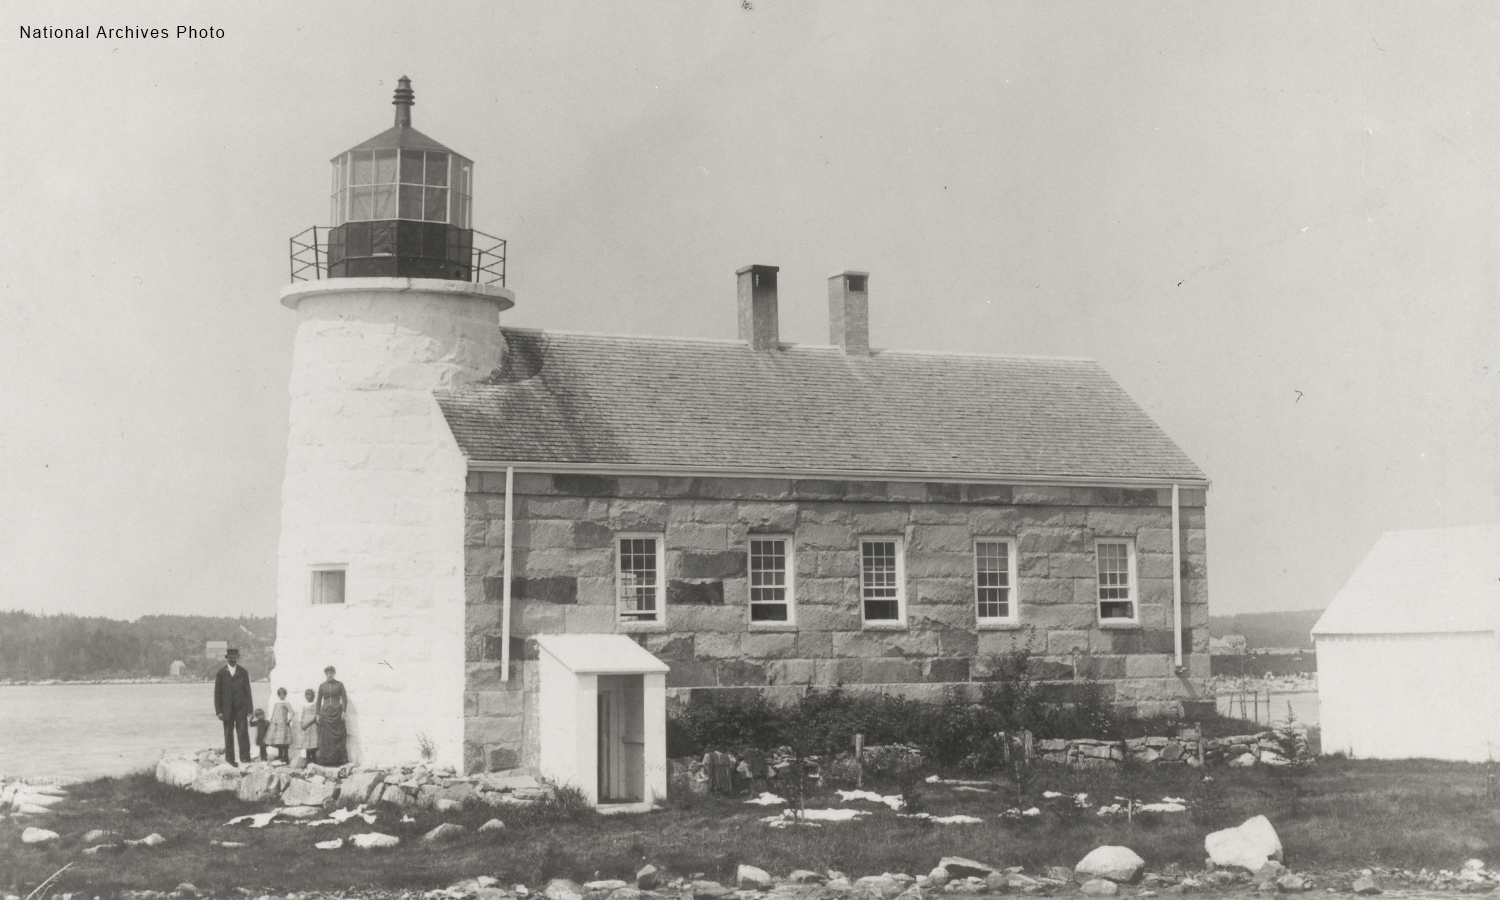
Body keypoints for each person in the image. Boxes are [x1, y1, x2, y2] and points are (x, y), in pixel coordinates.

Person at [213, 648, 254, 766]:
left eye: (235, 657)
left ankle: (245, 758)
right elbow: (217, 693)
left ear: (238, 658)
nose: (232, 659)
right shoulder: (221, 673)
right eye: (230, 657)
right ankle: (230, 760)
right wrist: (219, 711)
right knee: (228, 734)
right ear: (226, 658)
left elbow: (248, 692)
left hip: (241, 708)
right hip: (227, 710)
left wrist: (250, 710)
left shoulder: (243, 672)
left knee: (243, 733)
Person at [315, 666, 349, 766]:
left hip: (337, 713)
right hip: (325, 714)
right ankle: (327, 760)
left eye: (331, 673)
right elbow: (318, 701)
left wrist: (343, 711)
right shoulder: (322, 686)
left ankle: (338, 760)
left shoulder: (339, 685)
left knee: (337, 737)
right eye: (327, 673)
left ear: (334, 673)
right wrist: (317, 714)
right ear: (325, 674)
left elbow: (344, 699)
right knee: (325, 738)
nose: (329, 675)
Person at [266, 687, 294, 763]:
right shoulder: (277, 703)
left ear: (285, 695)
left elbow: (292, 712)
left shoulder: (286, 703)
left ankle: (286, 756)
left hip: (284, 725)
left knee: (284, 741)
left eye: (283, 694)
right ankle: (280, 755)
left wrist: (289, 720)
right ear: (278, 695)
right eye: (280, 694)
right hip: (277, 725)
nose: (282, 696)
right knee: (278, 741)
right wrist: (272, 720)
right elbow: (274, 712)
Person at [297, 688, 320, 764]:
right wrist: (301, 723)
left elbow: (315, 715)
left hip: (312, 725)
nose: (308, 696)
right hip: (305, 726)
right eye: (307, 695)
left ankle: (313, 759)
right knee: (306, 743)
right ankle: (308, 759)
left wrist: (308, 723)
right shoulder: (303, 704)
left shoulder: (315, 704)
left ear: (313, 696)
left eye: (310, 695)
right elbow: (301, 714)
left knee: (313, 742)